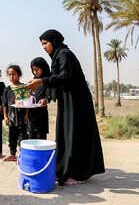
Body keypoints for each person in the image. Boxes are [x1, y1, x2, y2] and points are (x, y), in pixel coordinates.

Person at [26, 29, 105, 186]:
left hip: (77, 101)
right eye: (42, 44)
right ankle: (63, 169)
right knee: (64, 134)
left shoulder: (64, 54)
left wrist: (41, 81)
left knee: (74, 135)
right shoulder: (58, 56)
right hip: (67, 100)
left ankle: (78, 173)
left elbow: (65, 76)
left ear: (54, 42)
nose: (44, 47)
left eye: (45, 43)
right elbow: (57, 78)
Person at [2, 65, 28, 162]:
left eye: (14, 74)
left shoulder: (23, 87)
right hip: (11, 116)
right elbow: (4, 104)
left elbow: (27, 102)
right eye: (9, 75)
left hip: (21, 115)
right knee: (12, 136)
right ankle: (12, 154)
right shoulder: (7, 89)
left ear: (19, 75)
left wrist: (26, 115)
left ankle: (22, 156)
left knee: (23, 135)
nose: (12, 77)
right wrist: (5, 116)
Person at [27, 57, 50, 139]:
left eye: (37, 69)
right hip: (31, 115)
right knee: (31, 138)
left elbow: (50, 94)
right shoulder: (33, 81)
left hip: (41, 114)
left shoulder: (47, 80)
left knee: (41, 139)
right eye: (33, 70)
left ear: (43, 67)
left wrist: (46, 99)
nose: (35, 72)